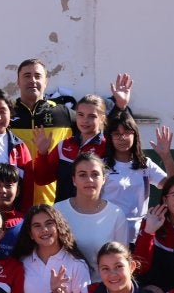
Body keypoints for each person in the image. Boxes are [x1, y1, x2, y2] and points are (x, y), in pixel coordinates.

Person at [9, 61, 131, 208]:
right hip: (15, 202)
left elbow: (98, 125)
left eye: (37, 76)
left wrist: (120, 107)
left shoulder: (63, 113)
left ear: (46, 81)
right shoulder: (6, 115)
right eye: (27, 76)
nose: (32, 80)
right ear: (18, 81)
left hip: (54, 205)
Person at [102, 109, 173, 243]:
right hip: (108, 234)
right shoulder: (101, 165)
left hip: (139, 235)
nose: (122, 138)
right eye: (116, 134)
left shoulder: (145, 164)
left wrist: (166, 156)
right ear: (110, 137)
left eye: (127, 133)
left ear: (135, 134)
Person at [31, 91, 113, 204]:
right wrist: (43, 154)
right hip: (64, 214)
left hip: (94, 213)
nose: (85, 120)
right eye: (80, 114)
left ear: (102, 119)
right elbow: (42, 180)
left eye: (92, 116)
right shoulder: (64, 145)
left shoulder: (108, 147)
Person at [54, 153, 128, 269]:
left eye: (95, 174)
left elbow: (122, 260)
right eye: (82, 175)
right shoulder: (57, 210)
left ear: (104, 179)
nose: (89, 180)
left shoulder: (116, 214)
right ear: (74, 180)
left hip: (103, 285)